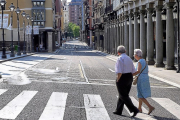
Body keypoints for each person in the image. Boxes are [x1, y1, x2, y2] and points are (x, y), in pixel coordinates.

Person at [114, 45, 139, 117]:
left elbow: (119, 71)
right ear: (125, 51)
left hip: (122, 77)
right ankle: (118, 110)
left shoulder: (120, 58)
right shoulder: (129, 58)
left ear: (118, 52)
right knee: (123, 94)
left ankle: (134, 109)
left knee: (123, 95)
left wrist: (118, 79)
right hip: (129, 77)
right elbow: (133, 71)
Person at [133, 49, 155, 115]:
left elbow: (138, 71)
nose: (134, 56)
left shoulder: (139, 62)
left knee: (140, 94)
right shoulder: (144, 61)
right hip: (145, 78)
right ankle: (139, 108)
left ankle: (150, 107)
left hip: (141, 79)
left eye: (134, 54)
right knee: (140, 94)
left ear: (136, 55)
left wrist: (130, 74)